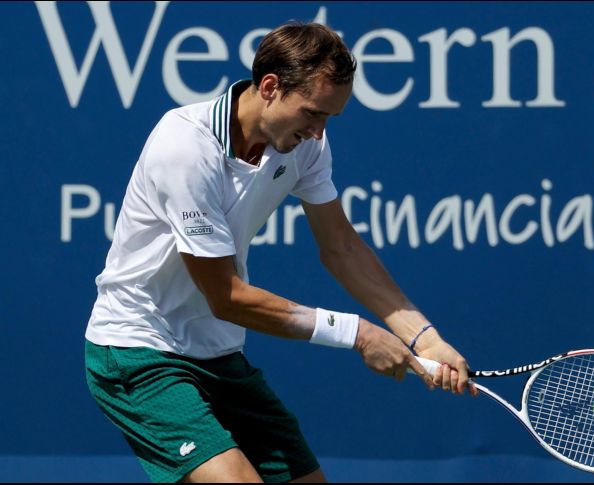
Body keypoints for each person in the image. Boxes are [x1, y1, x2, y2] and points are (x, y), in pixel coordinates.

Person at [85, 21, 477, 483]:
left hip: (218, 354)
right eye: (313, 113)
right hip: (139, 351)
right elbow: (225, 297)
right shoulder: (185, 146)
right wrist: (358, 334)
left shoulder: (305, 145)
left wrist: (425, 339)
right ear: (270, 86)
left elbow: (341, 248)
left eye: (329, 118)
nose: (318, 132)